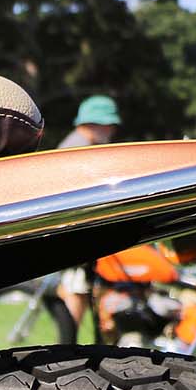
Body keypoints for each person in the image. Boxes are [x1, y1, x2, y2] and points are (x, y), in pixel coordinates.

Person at [56, 96, 121, 332]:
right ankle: (66, 342)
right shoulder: (77, 150)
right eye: (108, 125)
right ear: (93, 123)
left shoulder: (79, 145)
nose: (111, 131)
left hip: (76, 232)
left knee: (80, 290)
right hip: (74, 233)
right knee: (76, 289)